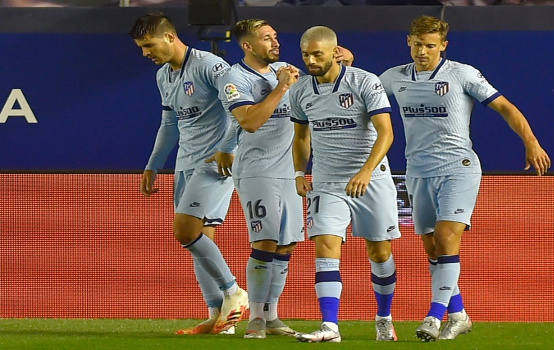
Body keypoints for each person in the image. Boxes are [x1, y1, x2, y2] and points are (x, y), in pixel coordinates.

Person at [379, 15, 551, 342]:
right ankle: (458, 314)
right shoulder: (394, 77)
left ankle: (433, 317)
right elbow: (362, 95)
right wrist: (345, 62)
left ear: (443, 45)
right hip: (417, 170)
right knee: (432, 246)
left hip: (458, 166)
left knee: (446, 237)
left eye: (430, 45)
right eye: (417, 44)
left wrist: (531, 142)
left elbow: (505, 107)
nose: (422, 51)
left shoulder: (462, 74)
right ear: (408, 42)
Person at [216, 19, 353, 339]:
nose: (275, 43)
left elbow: (319, 90)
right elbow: (249, 122)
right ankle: (255, 322)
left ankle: (271, 317)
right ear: (247, 46)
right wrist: (280, 87)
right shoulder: (234, 78)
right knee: (264, 242)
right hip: (257, 169)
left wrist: (340, 62)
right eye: (266, 39)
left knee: (286, 245)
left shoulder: (287, 69)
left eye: (275, 36)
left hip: (290, 170)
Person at [129, 13, 248, 335]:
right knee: (198, 240)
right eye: (141, 47)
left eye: (148, 45)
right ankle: (218, 317)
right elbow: (170, 125)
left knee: (185, 231)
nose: (145, 53)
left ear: (169, 37)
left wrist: (228, 148)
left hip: (215, 163)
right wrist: (154, 164)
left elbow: (237, 110)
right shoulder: (163, 76)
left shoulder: (211, 66)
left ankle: (234, 292)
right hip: (185, 163)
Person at [290, 25, 401, 343]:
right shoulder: (300, 91)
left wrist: (366, 171)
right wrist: (299, 172)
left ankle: (383, 317)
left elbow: (386, 133)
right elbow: (301, 136)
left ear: (334, 51)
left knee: (379, 253)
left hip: (372, 180)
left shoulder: (365, 82)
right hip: (327, 182)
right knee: (325, 245)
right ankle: (330, 326)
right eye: (305, 54)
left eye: (317, 54)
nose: (310, 60)